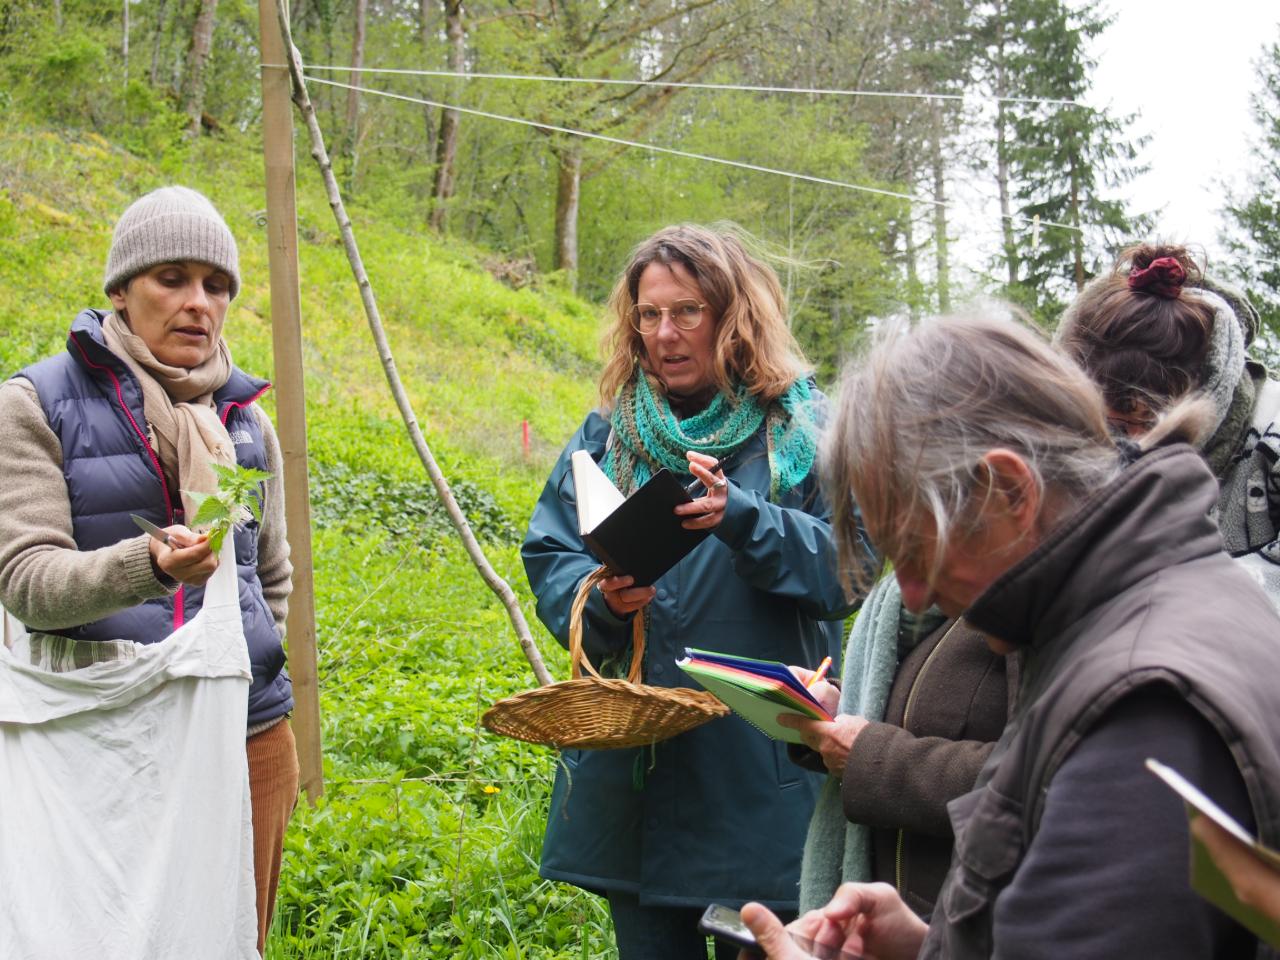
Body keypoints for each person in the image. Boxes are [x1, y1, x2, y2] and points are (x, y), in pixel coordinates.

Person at [736, 313, 1280, 959]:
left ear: (1010, 489)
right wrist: (931, 944)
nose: (914, 594)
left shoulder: (1142, 715)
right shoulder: (1156, 607)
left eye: (916, 551)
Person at [521, 224, 858, 959]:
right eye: (649, 315)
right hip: (639, 779)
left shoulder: (802, 430)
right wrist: (601, 602)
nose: (665, 334)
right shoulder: (610, 433)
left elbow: (849, 569)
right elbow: (550, 552)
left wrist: (746, 519)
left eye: (686, 312)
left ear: (734, 315)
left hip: (759, 782)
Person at [0, 186, 298, 954]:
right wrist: (148, 566)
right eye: (172, 278)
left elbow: (271, 574)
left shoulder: (246, 421)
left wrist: (246, 663)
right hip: (103, 737)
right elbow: (26, 581)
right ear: (121, 290)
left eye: (217, 285)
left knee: (229, 937)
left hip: (247, 734)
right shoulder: (38, 405)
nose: (199, 302)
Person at [1057, 244, 1280, 608]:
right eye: (1113, 424)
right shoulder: (1076, 437)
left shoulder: (1272, 434)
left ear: (1207, 387)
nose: (1133, 443)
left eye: (1149, 421)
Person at [784, 576, 1013, 918]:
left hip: (966, 915)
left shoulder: (1017, 611)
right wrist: (835, 708)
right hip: (892, 912)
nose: (910, 585)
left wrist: (868, 756)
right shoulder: (900, 605)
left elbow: (1027, 780)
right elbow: (907, 711)